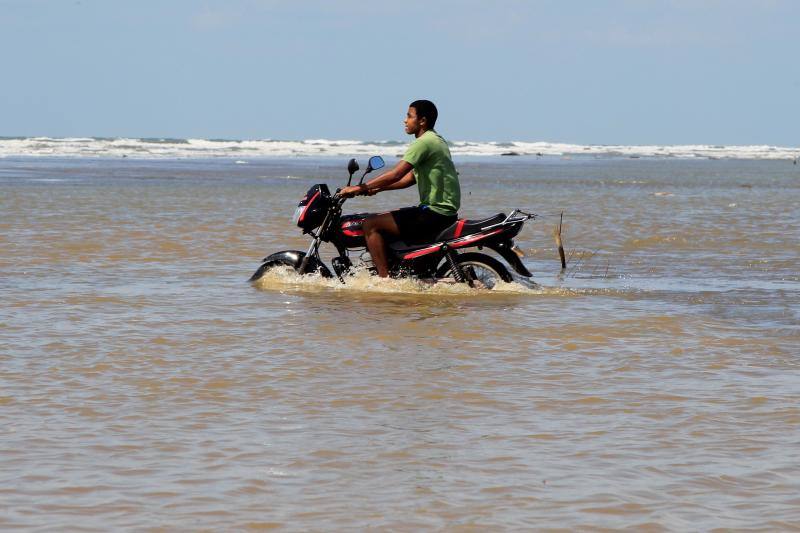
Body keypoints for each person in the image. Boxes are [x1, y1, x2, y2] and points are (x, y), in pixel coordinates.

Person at [339, 100, 460, 277]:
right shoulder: (436, 140)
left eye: (409, 116)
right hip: (443, 212)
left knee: (370, 224)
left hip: (434, 213)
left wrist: (359, 187)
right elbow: (410, 178)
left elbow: (396, 174)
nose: (405, 120)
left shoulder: (423, 143)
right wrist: (378, 190)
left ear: (422, 121)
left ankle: (383, 280)